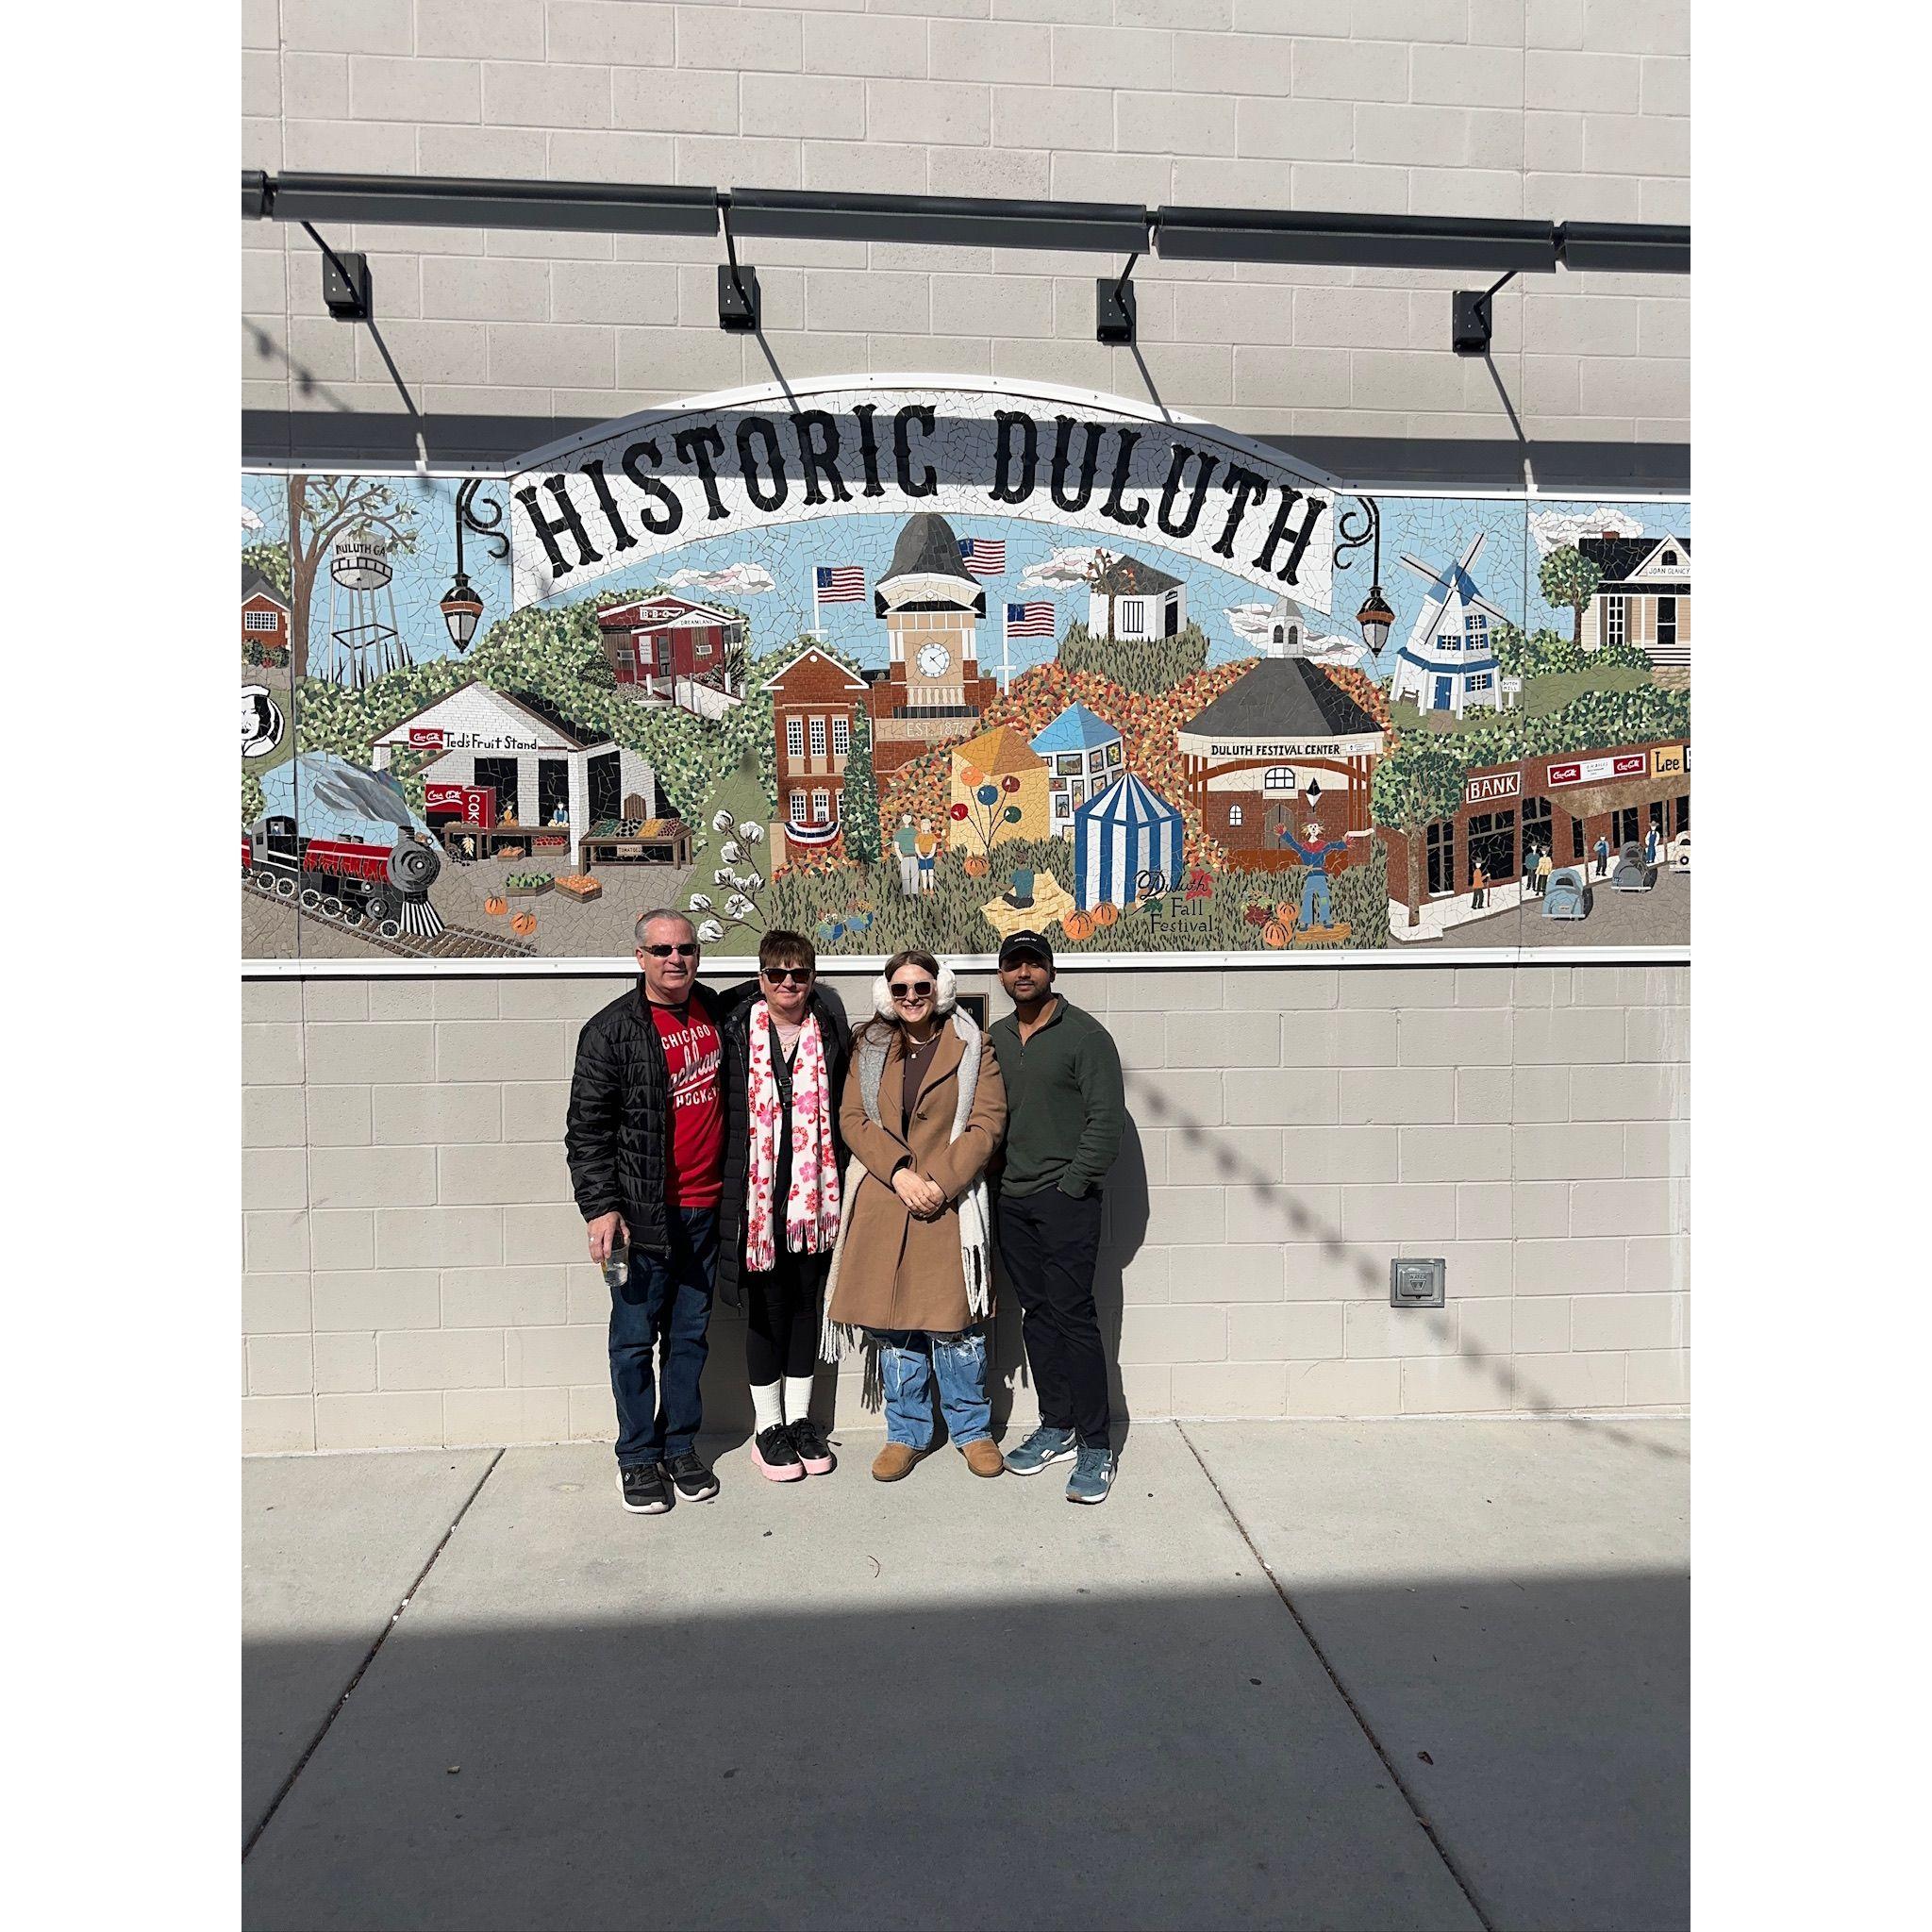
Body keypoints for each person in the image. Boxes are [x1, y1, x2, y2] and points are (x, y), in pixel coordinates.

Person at [565, 908, 727, 1516]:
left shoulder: (718, 1013)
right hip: (634, 1224)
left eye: (685, 949)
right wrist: (600, 1207)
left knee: (689, 1338)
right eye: (661, 950)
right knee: (632, 1341)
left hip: (704, 1213)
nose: (674, 959)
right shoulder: (609, 1031)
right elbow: (586, 1131)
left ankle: (679, 1447)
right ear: (640, 957)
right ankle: (637, 1457)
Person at [823, 949, 1008, 1481]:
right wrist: (900, 1173)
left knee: (957, 1327)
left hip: (948, 1204)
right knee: (896, 1327)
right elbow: (853, 1118)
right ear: (887, 993)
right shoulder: (871, 1045)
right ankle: (906, 1432)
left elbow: (987, 1122)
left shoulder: (972, 1045)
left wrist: (940, 1181)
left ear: (940, 989)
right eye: (899, 989)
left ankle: (972, 1431)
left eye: (921, 988)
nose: (910, 998)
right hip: (886, 1197)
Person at [988, 931, 1126, 1506]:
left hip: (1064, 1201)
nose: (1024, 973)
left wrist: (1072, 1187)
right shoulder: (993, 1038)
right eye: (1013, 964)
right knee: (1036, 1315)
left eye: (1033, 963)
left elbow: (1105, 1122)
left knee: (1073, 1316)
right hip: (1011, 1201)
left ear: (1050, 969)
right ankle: (1057, 1424)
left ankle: (1096, 1443)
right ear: (1001, 974)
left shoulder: (1085, 1036)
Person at [714, 930, 852, 1484]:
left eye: (799, 974)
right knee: (766, 1309)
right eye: (776, 975)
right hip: (757, 1196)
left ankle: (800, 1422)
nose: (788, 984)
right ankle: (766, 1428)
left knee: (804, 1306)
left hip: (813, 1198)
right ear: (761, 978)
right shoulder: (734, 1029)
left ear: (812, 977)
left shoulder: (831, 1031)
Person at [893, 814, 921, 897]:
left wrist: (901, 858)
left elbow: (896, 847)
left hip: (909, 856)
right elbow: (896, 847)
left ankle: (910, 893)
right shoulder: (912, 832)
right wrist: (901, 858)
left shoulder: (913, 832)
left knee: (910, 876)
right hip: (908, 856)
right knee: (911, 876)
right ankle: (910, 894)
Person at [914, 817, 939, 892]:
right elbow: (917, 847)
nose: (925, 826)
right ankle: (925, 888)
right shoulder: (918, 836)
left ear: (930, 825)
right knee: (924, 873)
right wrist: (920, 856)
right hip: (921, 856)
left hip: (930, 856)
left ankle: (931, 888)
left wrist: (930, 855)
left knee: (931, 873)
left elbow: (934, 848)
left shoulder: (932, 836)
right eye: (923, 825)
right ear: (921, 826)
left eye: (927, 825)